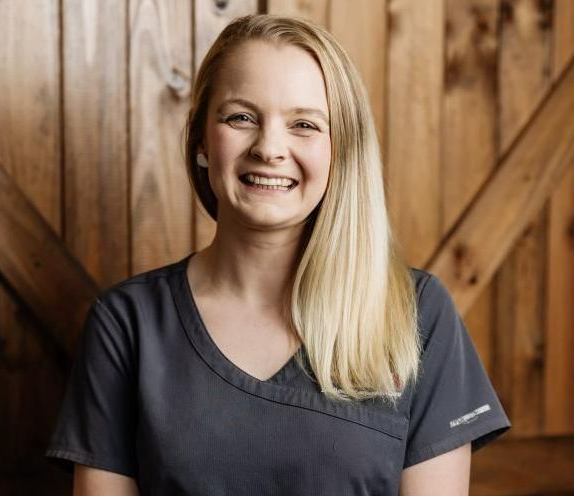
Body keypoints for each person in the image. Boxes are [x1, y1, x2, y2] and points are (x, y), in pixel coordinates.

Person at [45, 14, 511, 495]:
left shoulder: (417, 314)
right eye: (241, 117)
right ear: (203, 140)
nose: (270, 148)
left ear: (341, 149)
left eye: (304, 125)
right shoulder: (127, 324)